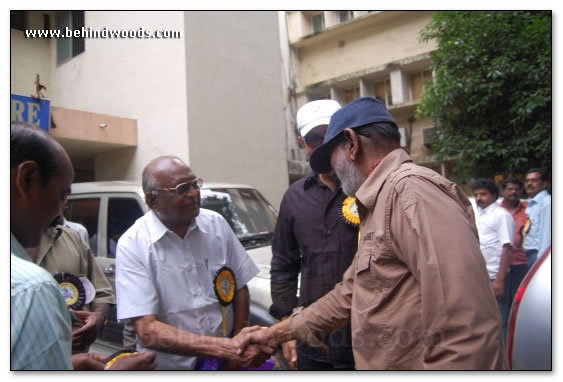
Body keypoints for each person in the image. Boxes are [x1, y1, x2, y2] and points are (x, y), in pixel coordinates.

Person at [236, 97, 507, 370]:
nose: (334, 170)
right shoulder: (382, 200)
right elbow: (350, 292)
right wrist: (275, 333)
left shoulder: (410, 193)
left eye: (331, 155)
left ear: (351, 143)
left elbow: (468, 324)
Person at [10, 122, 156, 370]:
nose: (61, 209)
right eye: (62, 195)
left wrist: (69, 364)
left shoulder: (72, 239)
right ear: (27, 178)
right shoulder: (31, 289)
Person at [115, 156, 273, 370]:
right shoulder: (133, 245)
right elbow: (147, 331)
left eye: (195, 184)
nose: (194, 193)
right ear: (152, 200)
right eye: (181, 189)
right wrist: (226, 347)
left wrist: (236, 349)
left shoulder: (216, 224)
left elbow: (240, 288)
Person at [270, 100, 356, 370]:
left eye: (331, 134)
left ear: (347, 135)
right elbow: (284, 265)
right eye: (313, 138)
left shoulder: (368, 188)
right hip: (314, 338)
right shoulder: (294, 197)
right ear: (301, 142)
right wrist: (286, 326)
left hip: (370, 335)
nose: (323, 144)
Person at [25, 217, 116, 352]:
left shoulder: (72, 238)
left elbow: (102, 293)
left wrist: (98, 317)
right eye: (59, 195)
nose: (63, 202)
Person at [471, 178, 515, 337]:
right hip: (480, 276)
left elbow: (507, 248)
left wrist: (500, 280)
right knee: (483, 320)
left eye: (483, 194)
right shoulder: (479, 214)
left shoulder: (501, 216)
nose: (479, 198)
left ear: (494, 195)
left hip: (496, 277)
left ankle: (503, 360)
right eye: (476, 194)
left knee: (499, 320)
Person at [499, 177, 529, 303]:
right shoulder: (496, 211)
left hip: (522, 262)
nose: (513, 192)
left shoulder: (528, 209)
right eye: (510, 189)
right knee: (502, 299)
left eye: (517, 189)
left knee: (520, 298)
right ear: (503, 192)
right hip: (500, 264)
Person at [522, 168, 551, 268]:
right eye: (527, 181)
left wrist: (541, 263)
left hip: (539, 256)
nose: (529, 184)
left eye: (534, 180)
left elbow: (547, 235)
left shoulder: (547, 203)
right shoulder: (533, 203)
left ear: (544, 184)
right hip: (530, 255)